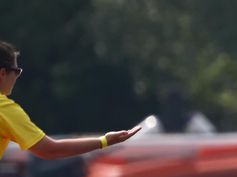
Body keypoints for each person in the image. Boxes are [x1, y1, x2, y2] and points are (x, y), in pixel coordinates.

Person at [0, 41, 142, 161]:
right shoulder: (4, 109)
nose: (17, 77)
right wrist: (104, 141)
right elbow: (50, 150)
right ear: (2, 73)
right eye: (16, 71)